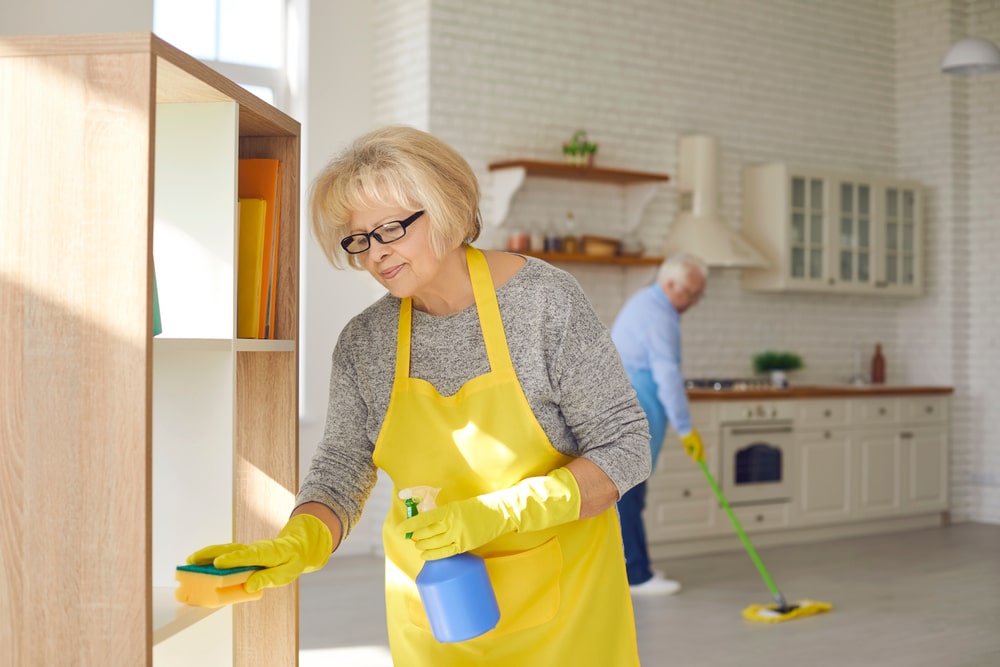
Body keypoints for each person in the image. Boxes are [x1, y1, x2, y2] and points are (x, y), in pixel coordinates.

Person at [186, 125, 651, 665]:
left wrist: (497, 514)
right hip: (432, 615)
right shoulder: (365, 342)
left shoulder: (544, 304)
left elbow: (626, 447)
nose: (376, 255)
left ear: (447, 208)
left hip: (563, 617)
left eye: (390, 230)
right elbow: (341, 469)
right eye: (359, 240)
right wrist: (300, 540)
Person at [610, 252, 708, 595]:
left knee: (631, 493)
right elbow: (668, 376)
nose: (694, 302)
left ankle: (629, 570)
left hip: (631, 410)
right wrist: (685, 428)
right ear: (670, 285)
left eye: (699, 295)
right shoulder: (658, 317)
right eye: (691, 294)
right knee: (629, 496)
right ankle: (636, 575)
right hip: (634, 411)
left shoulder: (650, 304)